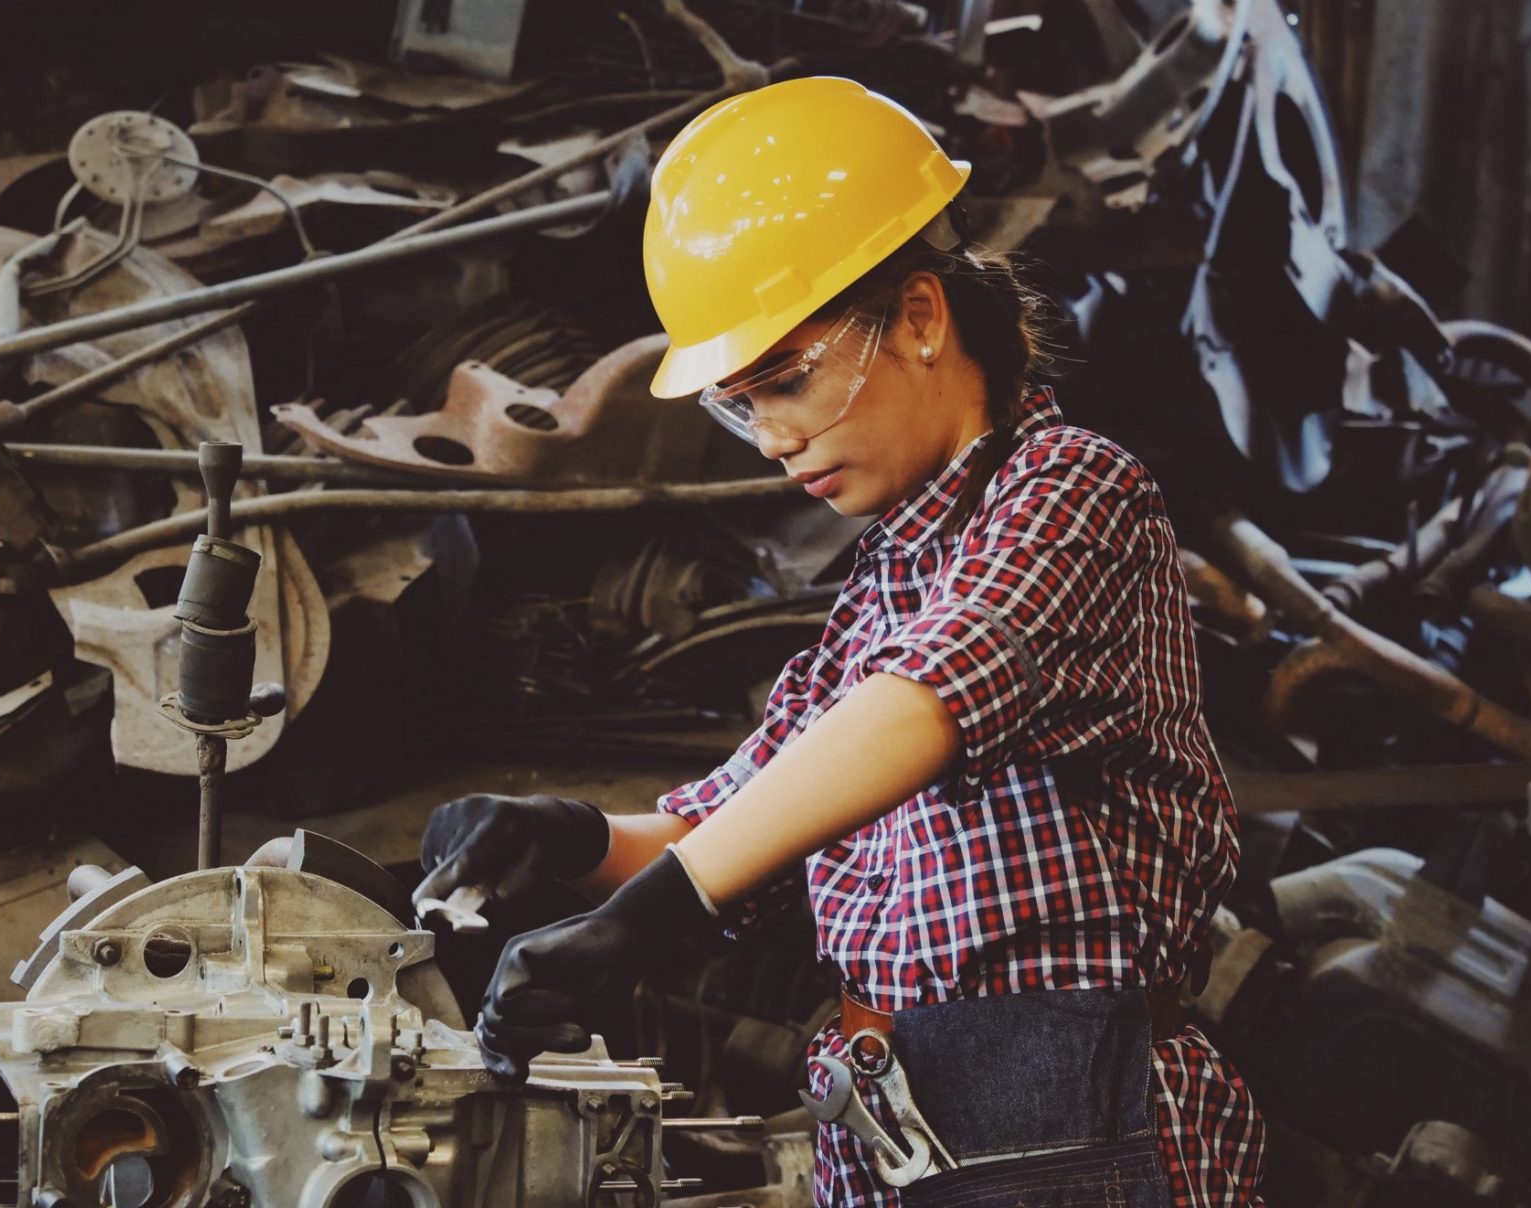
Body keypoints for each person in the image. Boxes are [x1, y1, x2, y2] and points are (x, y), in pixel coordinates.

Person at [409, 77, 1264, 1206]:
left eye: (788, 381)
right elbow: (735, 826)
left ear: (919, 315)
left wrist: (649, 916)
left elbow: (925, 703)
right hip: (894, 1116)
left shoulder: (1074, 492)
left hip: (1063, 1120)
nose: (771, 437)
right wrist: (565, 838)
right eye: (739, 405)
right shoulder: (883, 583)